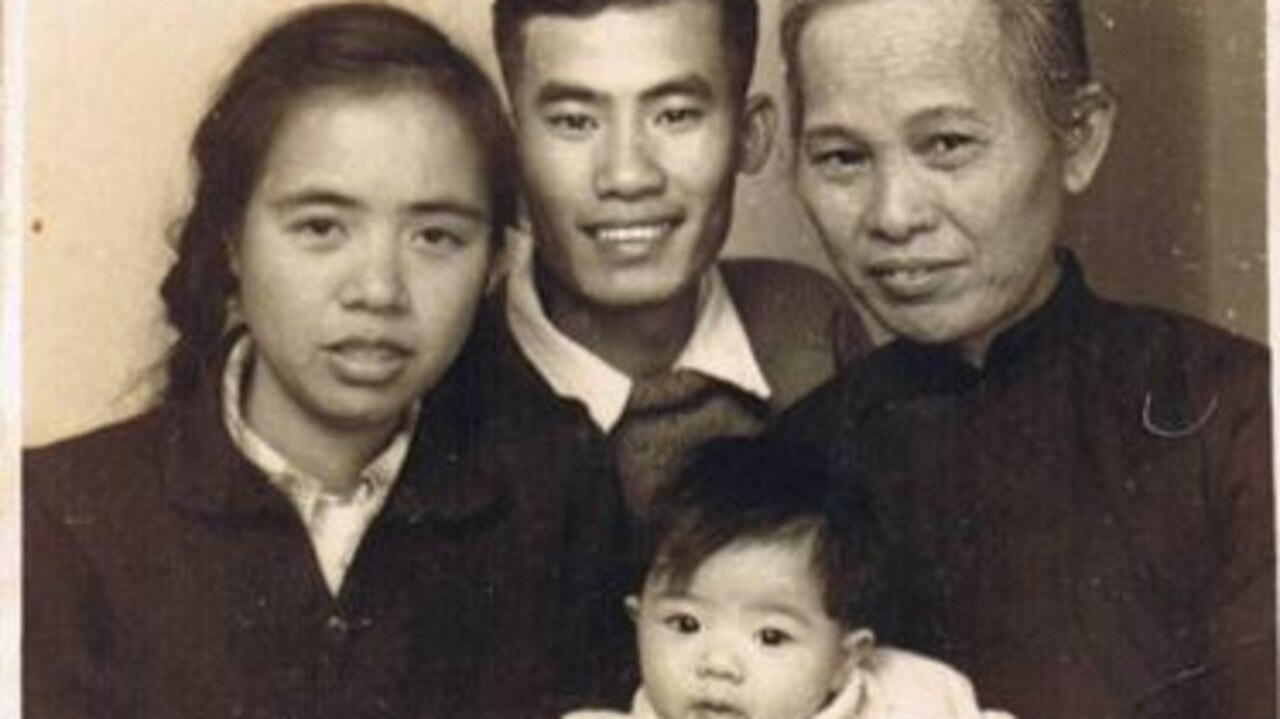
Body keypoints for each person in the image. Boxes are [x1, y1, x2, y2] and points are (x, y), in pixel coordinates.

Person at [770, 1, 1275, 718]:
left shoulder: (1240, 419)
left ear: (1079, 137)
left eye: (946, 144)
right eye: (842, 157)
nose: (893, 214)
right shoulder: (791, 462)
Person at [23, 5, 517, 719]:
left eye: (437, 236)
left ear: (495, 263)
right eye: (321, 226)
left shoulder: (556, 504)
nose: (377, 289)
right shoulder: (58, 513)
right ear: (232, 239)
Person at [416, 0, 870, 713]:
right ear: (506, 147)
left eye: (675, 114)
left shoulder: (810, 334)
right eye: (573, 120)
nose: (626, 175)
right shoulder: (437, 381)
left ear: (750, 135)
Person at [569, 437, 1001, 719]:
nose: (718, 665)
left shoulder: (912, 700)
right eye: (686, 624)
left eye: (771, 636)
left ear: (846, 658)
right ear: (637, 619)